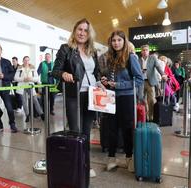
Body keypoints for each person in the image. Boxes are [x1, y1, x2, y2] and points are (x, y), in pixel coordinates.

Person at [52, 18, 100, 179]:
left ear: (89, 33)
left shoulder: (93, 51)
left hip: (92, 94)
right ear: (74, 31)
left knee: (86, 131)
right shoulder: (66, 49)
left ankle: (86, 164)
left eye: (85, 30)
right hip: (74, 94)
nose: (82, 33)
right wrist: (63, 73)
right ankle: (76, 164)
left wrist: (102, 81)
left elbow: (97, 73)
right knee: (76, 130)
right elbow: (55, 70)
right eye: (79, 29)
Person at [101, 30, 143, 171]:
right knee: (111, 128)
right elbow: (110, 78)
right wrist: (105, 81)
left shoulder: (131, 57)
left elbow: (139, 79)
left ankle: (129, 158)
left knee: (126, 129)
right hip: (111, 97)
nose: (116, 43)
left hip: (126, 97)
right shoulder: (110, 58)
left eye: (119, 40)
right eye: (114, 40)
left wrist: (119, 85)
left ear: (124, 41)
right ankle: (111, 158)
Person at [139, 44, 167, 121]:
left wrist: (163, 74)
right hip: (141, 82)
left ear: (149, 51)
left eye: (146, 50)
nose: (145, 51)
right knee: (141, 99)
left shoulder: (152, 58)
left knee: (151, 100)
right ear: (141, 51)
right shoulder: (138, 59)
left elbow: (158, 67)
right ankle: (144, 117)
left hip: (150, 82)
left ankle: (150, 117)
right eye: (143, 50)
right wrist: (140, 71)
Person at [14, 56, 44, 122]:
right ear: (23, 61)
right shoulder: (19, 68)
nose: (26, 61)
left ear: (29, 61)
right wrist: (23, 79)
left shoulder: (33, 68)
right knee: (24, 102)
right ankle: (27, 115)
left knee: (35, 100)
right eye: (25, 60)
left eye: (28, 60)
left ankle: (41, 114)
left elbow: (36, 78)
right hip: (22, 86)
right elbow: (15, 78)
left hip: (30, 86)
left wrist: (31, 79)